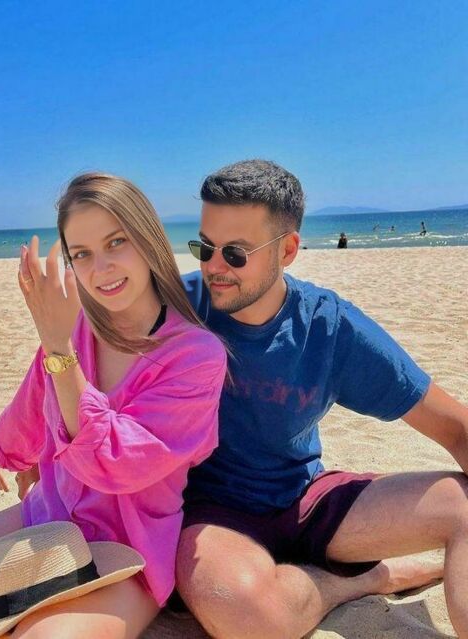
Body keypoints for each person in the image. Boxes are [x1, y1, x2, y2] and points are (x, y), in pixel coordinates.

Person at [0, 173, 226, 639]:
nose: (102, 268)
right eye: (81, 254)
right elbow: (31, 407)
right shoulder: (76, 331)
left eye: (116, 242)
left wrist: (58, 347)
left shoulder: (195, 356)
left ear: (148, 239)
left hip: (129, 549)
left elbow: (117, 464)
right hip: (48, 518)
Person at [176, 159, 468, 638]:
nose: (213, 267)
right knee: (248, 616)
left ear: (288, 250)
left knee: (463, 506)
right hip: (215, 514)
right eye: (204, 247)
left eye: (235, 253)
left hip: (306, 498)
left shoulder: (329, 327)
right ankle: (366, 579)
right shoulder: (178, 308)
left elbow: (456, 428)